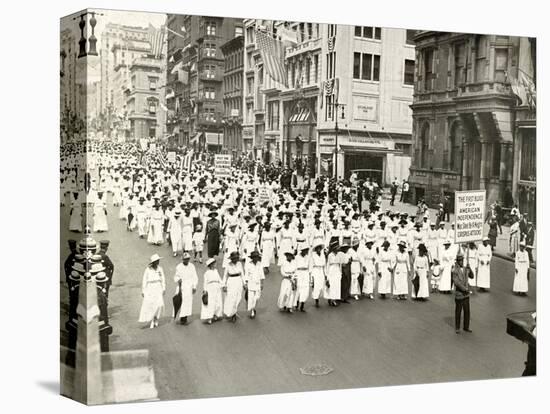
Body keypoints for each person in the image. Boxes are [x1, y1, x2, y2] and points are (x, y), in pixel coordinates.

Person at [138, 254, 166, 329]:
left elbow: (163, 278)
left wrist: (163, 288)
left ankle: (156, 317)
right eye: (156, 261)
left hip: (158, 287)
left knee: (159, 304)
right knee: (151, 304)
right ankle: (153, 320)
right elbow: (144, 280)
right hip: (150, 287)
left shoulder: (160, 269)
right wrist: (143, 291)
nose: (158, 262)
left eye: (158, 260)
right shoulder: (148, 270)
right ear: (153, 262)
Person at [173, 252, 198, 325]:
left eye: (188, 259)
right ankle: (181, 317)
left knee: (188, 302)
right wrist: (178, 279)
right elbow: (176, 276)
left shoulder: (192, 266)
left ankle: (185, 317)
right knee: (182, 301)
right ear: (182, 259)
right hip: (182, 286)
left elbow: (195, 277)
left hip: (189, 286)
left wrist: (194, 286)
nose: (186, 260)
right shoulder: (179, 267)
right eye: (185, 259)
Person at [452, 252, 473, 334]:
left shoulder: (465, 268)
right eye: (459, 260)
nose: (461, 262)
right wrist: (465, 289)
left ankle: (466, 327)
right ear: (457, 261)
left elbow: (472, 276)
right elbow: (456, 282)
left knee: (467, 311)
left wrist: (469, 268)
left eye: (462, 260)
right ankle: (457, 327)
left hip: (466, 295)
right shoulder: (455, 270)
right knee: (458, 311)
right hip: (459, 294)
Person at [222, 251, 245, 322]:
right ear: (231, 259)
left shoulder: (239, 264)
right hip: (231, 282)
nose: (235, 260)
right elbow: (225, 275)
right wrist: (224, 285)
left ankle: (234, 311)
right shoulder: (228, 265)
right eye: (234, 258)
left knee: (238, 298)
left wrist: (244, 283)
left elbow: (242, 274)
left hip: (238, 281)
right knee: (231, 298)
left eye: (236, 258)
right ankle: (233, 314)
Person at [200, 258, 223, 324]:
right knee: (210, 302)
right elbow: (205, 282)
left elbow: (219, 279)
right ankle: (209, 317)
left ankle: (216, 314)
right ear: (211, 265)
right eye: (214, 263)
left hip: (217, 287)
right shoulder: (206, 273)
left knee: (218, 301)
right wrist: (205, 290)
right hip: (210, 288)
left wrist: (223, 285)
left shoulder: (216, 271)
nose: (215, 264)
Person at [244, 250, 265, 318]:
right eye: (254, 257)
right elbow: (246, 274)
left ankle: (253, 307)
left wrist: (262, 283)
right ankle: (252, 311)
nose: (255, 258)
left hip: (257, 284)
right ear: (252, 258)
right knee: (251, 298)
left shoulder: (260, 264)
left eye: (256, 257)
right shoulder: (248, 264)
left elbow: (262, 275)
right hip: (251, 283)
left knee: (256, 298)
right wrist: (246, 284)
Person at [309, 243, 327, 307]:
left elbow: (324, 265)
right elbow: (311, 266)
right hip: (315, 270)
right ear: (316, 250)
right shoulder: (313, 256)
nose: (318, 250)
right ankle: (316, 300)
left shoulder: (323, 255)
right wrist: (311, 275)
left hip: (321, 270)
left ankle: (319, 297)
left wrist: (325, 274)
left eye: (320, 248)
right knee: (316, 285)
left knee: (321, 285)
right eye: (317, 249)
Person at [294, 247, 311, 312]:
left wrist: (310, 276)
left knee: (305, 289)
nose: (306, 252)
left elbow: (310, 267)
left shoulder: (308, 257)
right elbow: (295, 267)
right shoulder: (297, 257)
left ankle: (302, 305)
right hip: (299, 273)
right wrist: (295, 276)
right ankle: (296, 303)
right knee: (298, 288)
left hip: (306, 273)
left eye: (307, 250)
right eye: (305, 250)